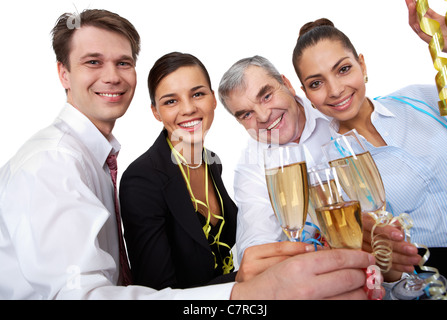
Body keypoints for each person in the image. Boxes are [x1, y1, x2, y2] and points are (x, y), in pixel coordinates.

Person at [0, 8, 380, 300]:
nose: (112, 76)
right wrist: (240, 294)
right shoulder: (55, 164)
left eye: (123, 63)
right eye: (93, 62)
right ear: (63, 73)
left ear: (214, 100)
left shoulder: (211, 162)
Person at [218, 56, 422, 282]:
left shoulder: (337, 112)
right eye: (246, 114)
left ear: (287, 83)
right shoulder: (251, 166)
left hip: (403, 257)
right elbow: (257, 245)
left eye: (267, 96)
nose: (264, 116)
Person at [291, 9, 447, 278]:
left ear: (362, 65)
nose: (336, 90)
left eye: (343, 69)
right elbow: (314, 249)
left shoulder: (422, 99)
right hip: (427, 281)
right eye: (316, 83)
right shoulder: (325, 171)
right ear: (306, 94)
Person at [119, 52, 239, 289]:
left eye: (197, 94)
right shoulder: (141, 180)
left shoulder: (212, 163)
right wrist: (248, 279)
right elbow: (157, 291)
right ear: (156, 112)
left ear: (214, 99)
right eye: (171, 101)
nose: (188, 109)